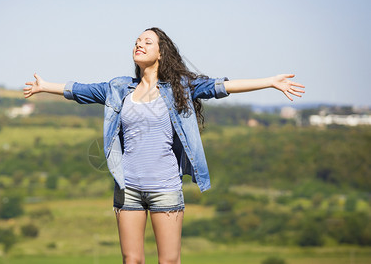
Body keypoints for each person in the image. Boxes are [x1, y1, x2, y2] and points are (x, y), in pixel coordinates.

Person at [24, 27, 305, 264]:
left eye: (147, 42)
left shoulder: (180, 87)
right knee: (131, 260)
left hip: (165, 189)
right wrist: (45, 85)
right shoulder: (119, 88)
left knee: (168, 261)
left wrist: (269, 82)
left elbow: (220, 86)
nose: (139, 44)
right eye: (137, 42)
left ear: (161, 52)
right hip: (128, 189)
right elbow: (81, 91)